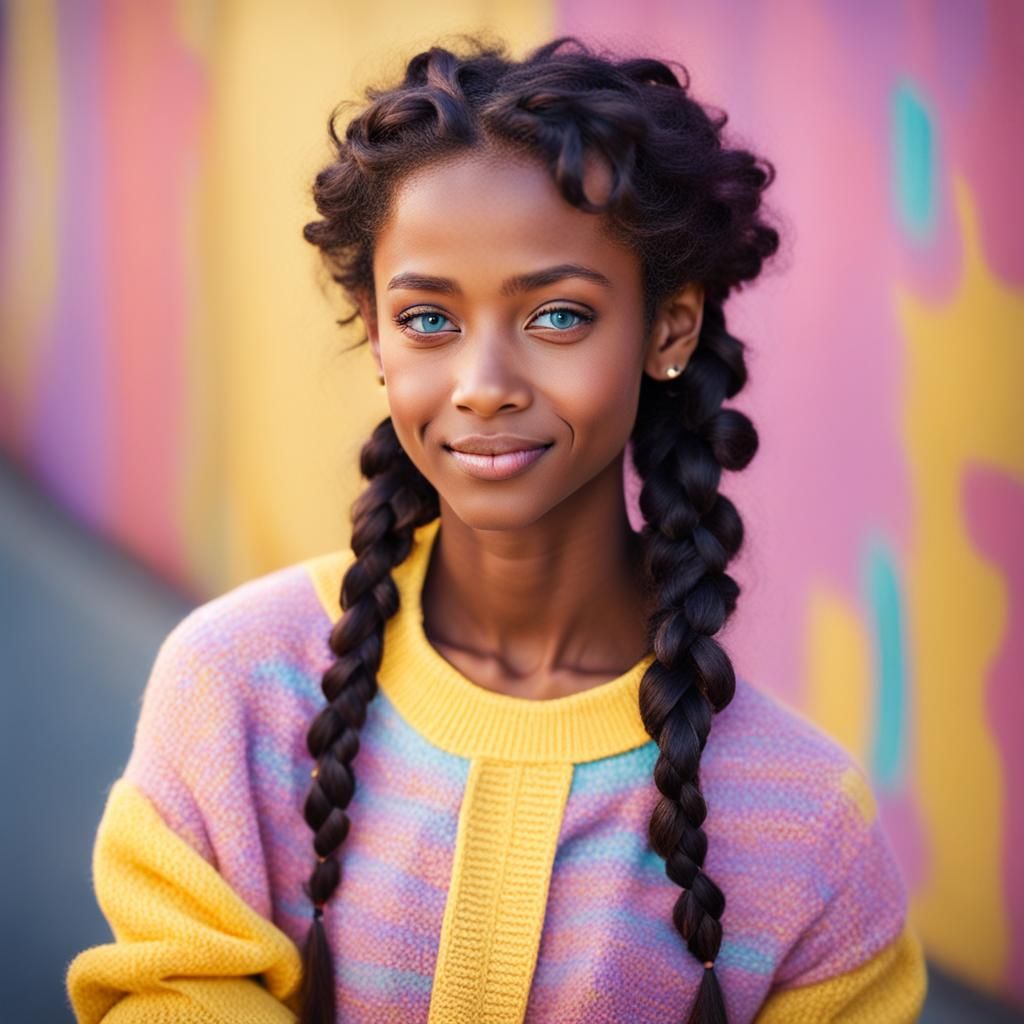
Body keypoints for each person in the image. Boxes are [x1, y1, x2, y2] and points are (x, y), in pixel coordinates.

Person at [65, 34, 928, 1024]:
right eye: (429, 319)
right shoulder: (236, 688)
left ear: (669, 328)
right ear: (376, 331)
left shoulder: (806, 826)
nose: (482, 387)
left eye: (557, 316)